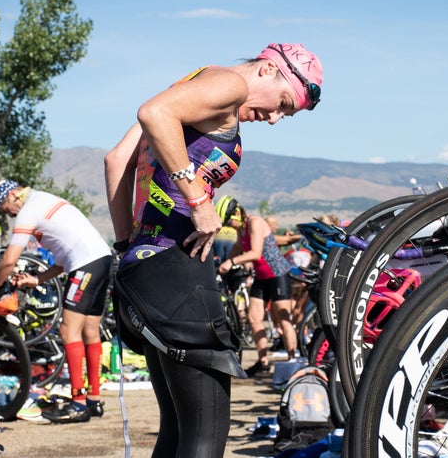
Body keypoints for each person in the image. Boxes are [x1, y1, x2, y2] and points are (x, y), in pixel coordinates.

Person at [104, 42, 322, 457]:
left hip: (146, 268)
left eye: (285, 114)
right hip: (179, 270)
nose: (275, 118)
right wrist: (200, 202)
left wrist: (126, 247)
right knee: (205, 434)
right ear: (267, 71)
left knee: (176, 430)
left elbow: (117, 161)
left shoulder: (192, 83)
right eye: (281, 103)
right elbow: (154, 114)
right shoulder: (229, 83)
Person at [0, 179, 112, 424]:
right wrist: (37, 279)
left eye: (6, 208)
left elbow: (9, 261)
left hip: (85, 263)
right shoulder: (43, 200)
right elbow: (63, 260)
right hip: (102, 259)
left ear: (14, 195)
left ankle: (77, 403)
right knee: (90, 331)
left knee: (68, 330)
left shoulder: (28, 211)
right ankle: (93, 399)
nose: (11, 214)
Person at [217, 199, 297, 376]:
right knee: (254, 318)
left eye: (229, 221)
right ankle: (263, 361)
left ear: (237, 213)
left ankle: (292, 360)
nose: (229, 225)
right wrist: (222, 263)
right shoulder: (241, 229)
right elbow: (238, 247)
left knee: (283, 319)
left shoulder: (255, 222)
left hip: (278, 274)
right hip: (261, 277)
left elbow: (255, 252)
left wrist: (231, 262)